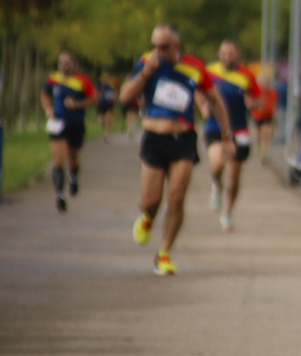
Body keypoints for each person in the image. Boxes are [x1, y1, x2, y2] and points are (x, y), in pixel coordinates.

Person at [119, 24, 234, 276]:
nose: (157, 51)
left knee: (177, 197)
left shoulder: (194, 67)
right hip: (153, 137)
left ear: (176, 46)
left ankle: (164, 254)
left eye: (163, 47)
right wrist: (145, 73)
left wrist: (227, 135)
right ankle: (148, 217)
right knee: (151, 200)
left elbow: (215, 100)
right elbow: (125, 96)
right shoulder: (146, 63)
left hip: (182, 138)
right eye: (155, 46)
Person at [200, 39, 261, 232]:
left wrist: (252, 104)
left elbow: (258, 98)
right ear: (219, 54)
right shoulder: (209, 71)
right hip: (214, 126)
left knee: (234, 177)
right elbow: (197, 90)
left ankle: (227, 212)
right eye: (224, 53)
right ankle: (216, 186)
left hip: (239, 129)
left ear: (238, 55)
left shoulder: (247, 76)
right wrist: (202, 106)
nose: (228, 56)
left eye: (231, 53)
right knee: (217, 163)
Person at [41, 52, 97, 212]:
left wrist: (78, 104)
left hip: (76, 124)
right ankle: (59, 195)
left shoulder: (83, 80)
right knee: (58, 159)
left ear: (74, 64)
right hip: (58, 123)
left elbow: (94, 99)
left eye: (67, 63)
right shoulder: (53, 79)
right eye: (61, 63)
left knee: (73, 159)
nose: (64, 66)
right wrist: (48, 109)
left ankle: (73, 177)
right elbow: (44, 94)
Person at [251, 75, 278, 162]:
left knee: (265, 136)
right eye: (264, 83)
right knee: (258, 136)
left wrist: (274, 116)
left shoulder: (273, 93)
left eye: (267, 83)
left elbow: (274, 105)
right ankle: (258, 149)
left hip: (268, 117)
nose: (266, 85)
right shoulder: (257, 93)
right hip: (257, 116)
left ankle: (264, 155)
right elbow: (252, 103)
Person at [96, 73, 117, 138]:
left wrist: (115, 97)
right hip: (101, 102)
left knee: (109, 116)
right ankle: (104, 125)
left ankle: (108, 131)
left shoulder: (112, 82)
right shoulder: (100, 82)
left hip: (109, 102)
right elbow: (96, 91)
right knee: (101, 119)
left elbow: (115, 91)